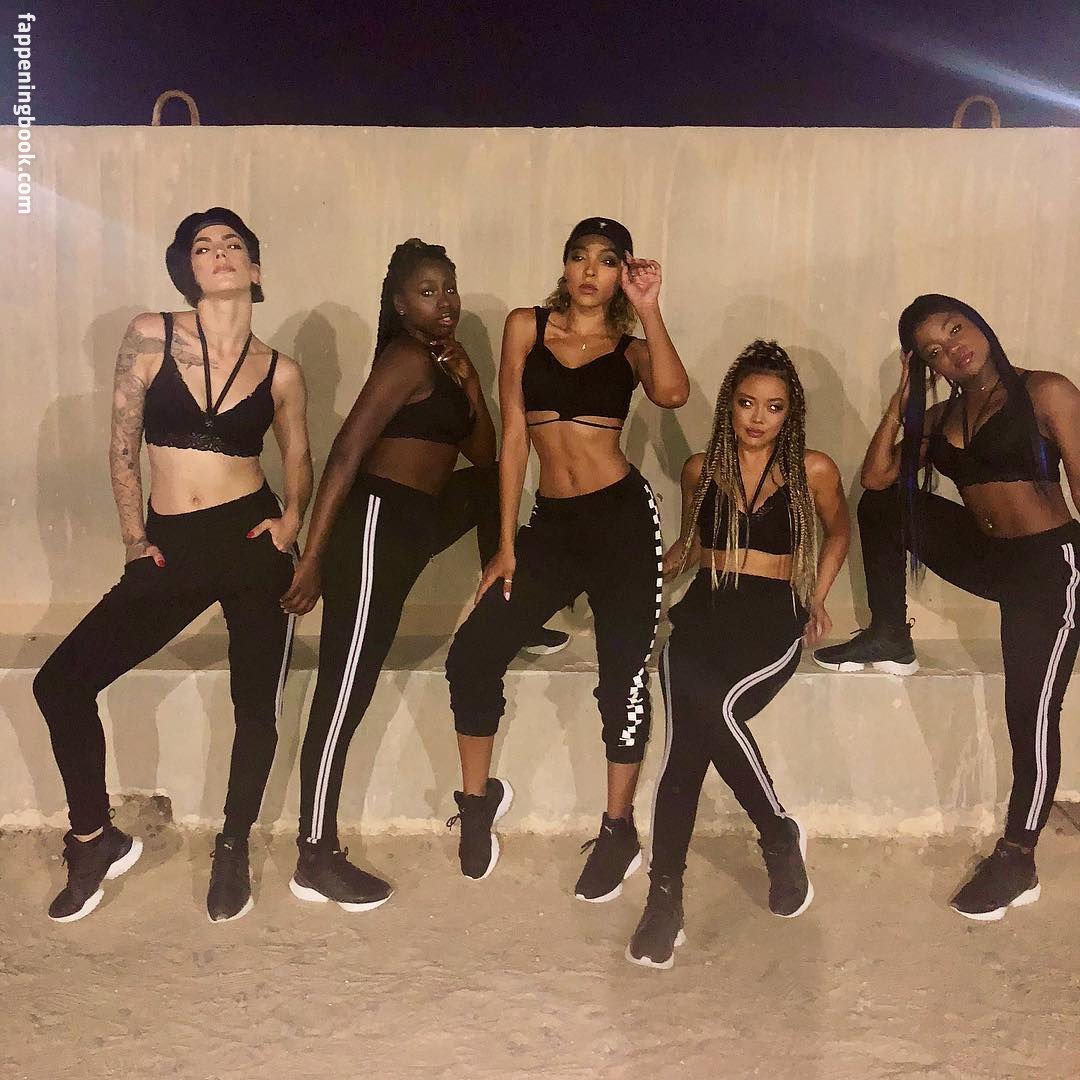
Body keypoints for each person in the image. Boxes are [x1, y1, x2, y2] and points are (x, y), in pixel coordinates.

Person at [33, 208, 312, 923]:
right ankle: (94, 839)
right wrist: (134, 540)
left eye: (232, 244)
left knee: (256, 704)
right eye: (203, 246)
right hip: (173, 545)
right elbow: (122, 442)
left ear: (254, 267)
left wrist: (290, 523)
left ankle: (232, 845)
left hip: (250, 542)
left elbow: (299, 456)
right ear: (187, 268)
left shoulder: (281, 370)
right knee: (61, 682)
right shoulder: (150, 334)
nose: (218, 253)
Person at [281, 239, 561, 911]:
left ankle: (509, 612)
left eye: (450, 288)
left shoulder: (441, 361)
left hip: (415, 523)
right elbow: (347, 451)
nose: (445, 302)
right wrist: (314, 555)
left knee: (490, 486)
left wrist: (470, 383)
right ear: (401, 304)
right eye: (428, 292)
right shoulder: (405, 358)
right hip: (374, 528)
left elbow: (486, 455)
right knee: (344, 694)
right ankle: (314, 855)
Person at [444, 217, 690, 898]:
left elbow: (673, 393)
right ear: (564, 265)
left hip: (622, 524)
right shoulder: (526, 326)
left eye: (607, 261)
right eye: (579, 256)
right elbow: (514, 437)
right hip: (551, 526)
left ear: (621, 274)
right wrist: (504, 544)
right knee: (472, 653)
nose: (589, 270)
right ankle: (477, 803)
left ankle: (618, 828)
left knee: (623, 680)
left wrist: (649, 307)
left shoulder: (629, 348)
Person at [814, 294, 1080, 921]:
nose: (953, 350)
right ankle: (889, 633)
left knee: (1029, 711)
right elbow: (877, 477)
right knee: (882, 505)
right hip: (991, 559)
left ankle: (1018, 855)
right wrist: (902, 400)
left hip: (1050, 567)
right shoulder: (939, 418)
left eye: (956, 330)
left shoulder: (1044, 391)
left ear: (980, 324)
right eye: (933, 350)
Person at [626, 341, 849, 969]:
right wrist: (655, 569)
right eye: (747, 403)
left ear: (790, 413)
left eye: (773, 407)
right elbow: (694, 544)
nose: (758, 417)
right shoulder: (700, 468)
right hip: (703, 615)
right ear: (729, 404)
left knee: (716, 713)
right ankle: (664, 900)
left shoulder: (813, 470)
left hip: (771, 621)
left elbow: (840, 530)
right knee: (683, 751)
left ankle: (776, 835)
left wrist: (817, 595)